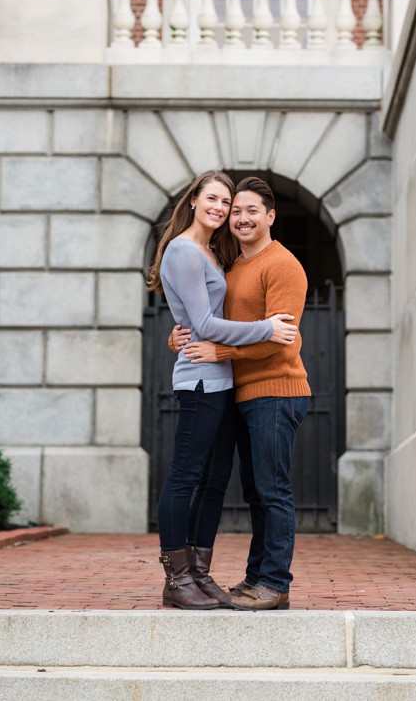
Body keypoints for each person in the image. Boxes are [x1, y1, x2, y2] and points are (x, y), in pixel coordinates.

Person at [146, 170, 298, 610]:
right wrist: (265, 327)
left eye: (227, 202)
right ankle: (177, 578)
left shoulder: (214, 254)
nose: (222, 208)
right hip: (200, 379)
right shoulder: (184, 250)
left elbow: (200, 320)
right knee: (186, 477)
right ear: (193, 200)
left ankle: (199, 572)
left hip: (224, 380)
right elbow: (205, 325)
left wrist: (192, 338)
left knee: (214, 482)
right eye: (213, 198)